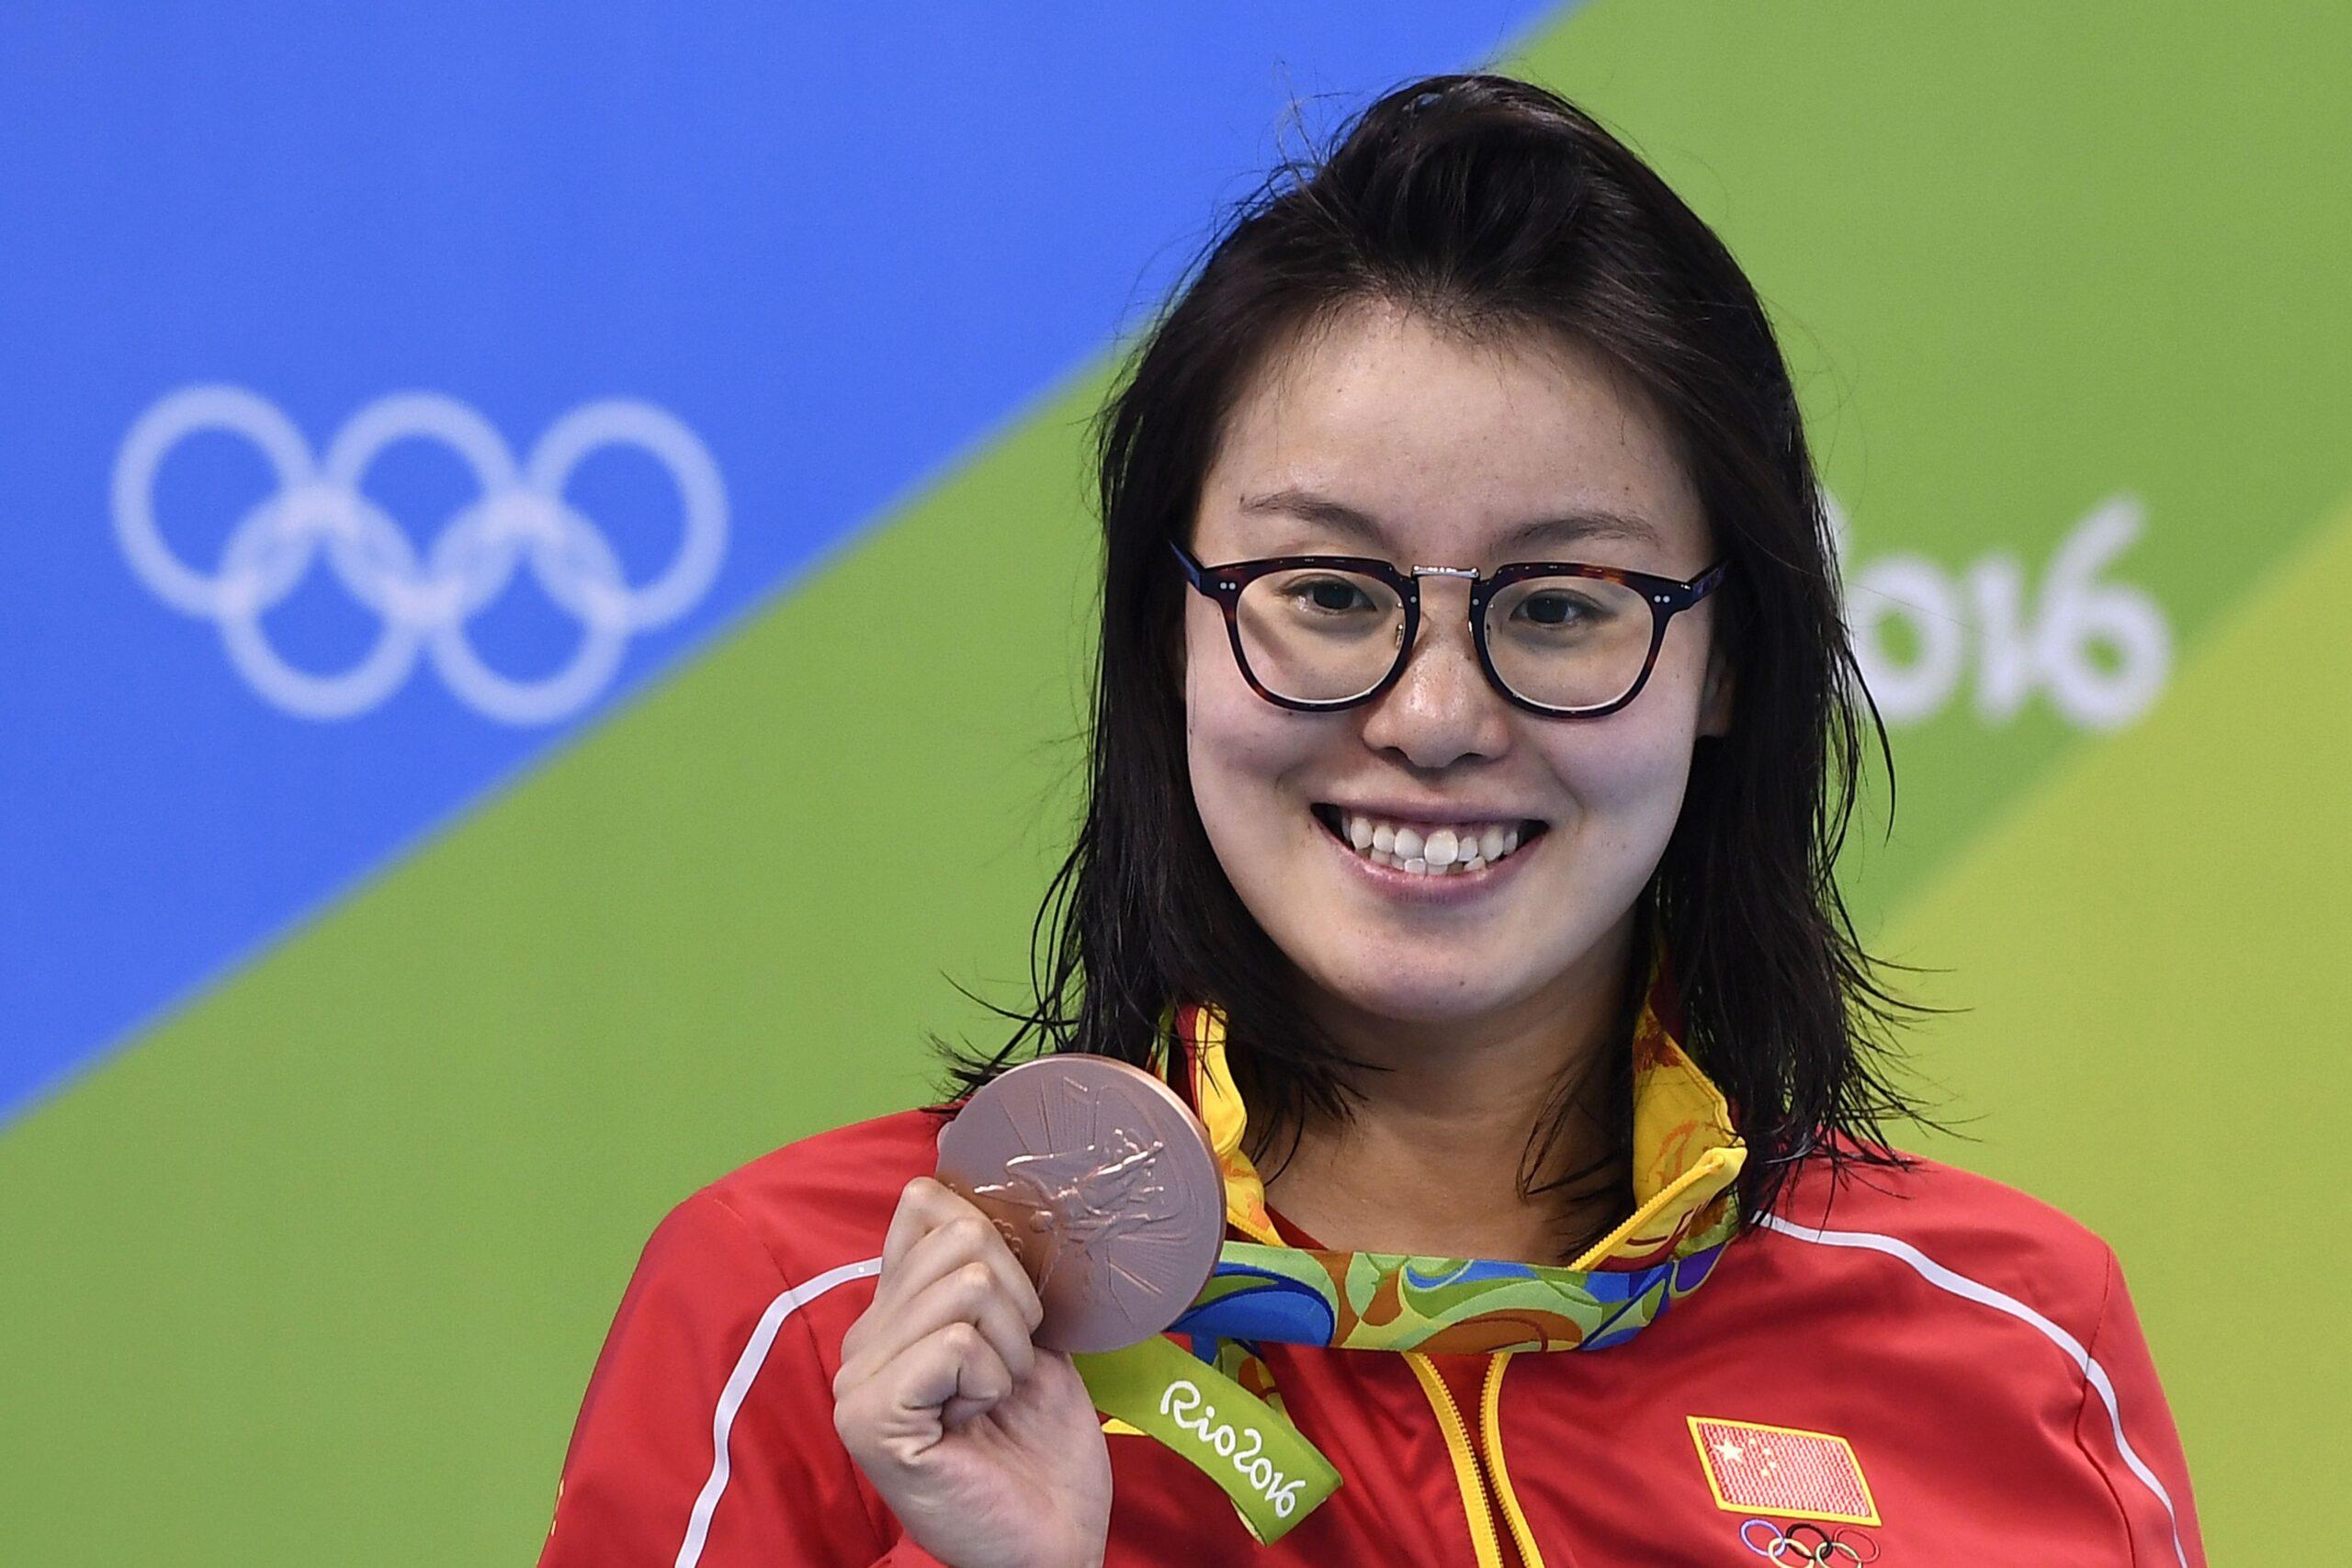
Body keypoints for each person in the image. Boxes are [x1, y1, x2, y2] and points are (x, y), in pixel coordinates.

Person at [536, 73, 2205, 1567]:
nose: (1432, 717)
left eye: (1562, 605)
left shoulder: (2010, 1344)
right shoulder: (819, 1319)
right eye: (1330, 592)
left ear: (1728, 666)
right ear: (1169, 636)